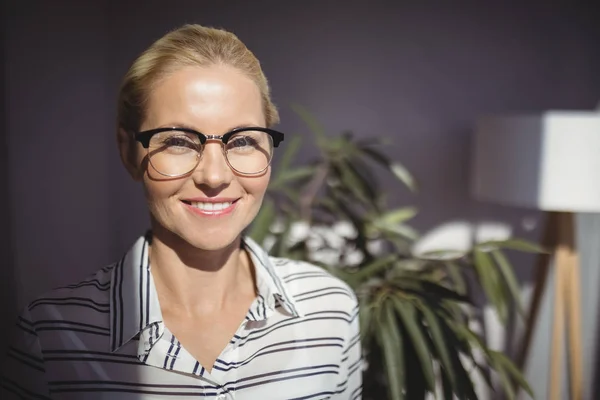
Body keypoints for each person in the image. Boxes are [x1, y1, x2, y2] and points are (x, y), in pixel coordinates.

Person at [0, 24, 362, 399]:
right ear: (128, 151)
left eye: (242, 141)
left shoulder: (330, 309)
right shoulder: (51, 337)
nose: (215, 176)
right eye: (178, 141)